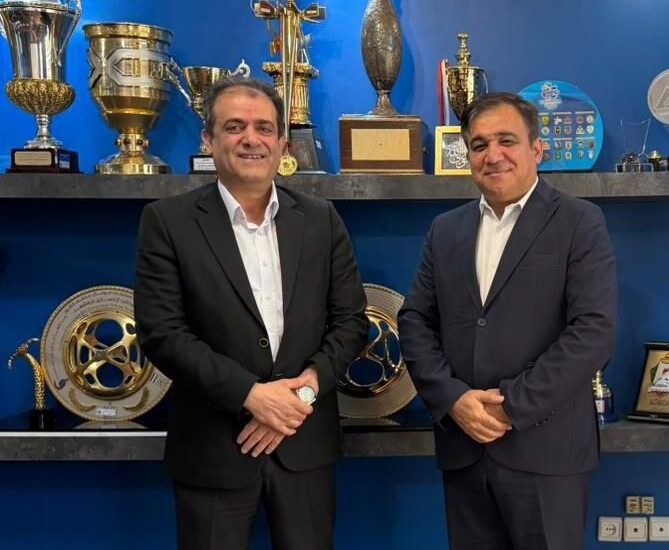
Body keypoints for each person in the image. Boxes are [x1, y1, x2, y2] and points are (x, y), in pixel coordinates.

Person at [134, 76, 368, 550]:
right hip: (213, 450)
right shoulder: (167, 221)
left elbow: (351, 321)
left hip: (304, 444)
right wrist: (250, 395)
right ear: (208, 139)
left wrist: (299, 396)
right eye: (234, 126)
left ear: (283, 142)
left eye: (264, 128)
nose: (251, 139)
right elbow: (163, 333)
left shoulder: (321, 219)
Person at [398, 92, 618, 550]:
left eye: (506, 141)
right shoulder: (445, 230)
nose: (492, 155)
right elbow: (415, 320)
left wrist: (509, 406)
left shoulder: (579, 221)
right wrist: (454, 399)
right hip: (464, 449)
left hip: (547, 451)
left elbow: (593, 332)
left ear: (537, 149)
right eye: (479, 145)